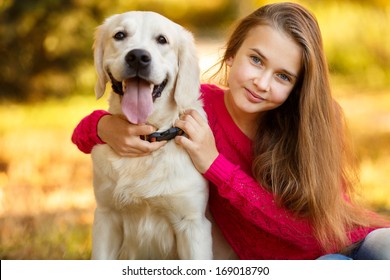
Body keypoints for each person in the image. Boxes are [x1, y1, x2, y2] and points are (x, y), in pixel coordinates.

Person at [72, 2, 390, 259]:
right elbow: (84, 132)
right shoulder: (194, 108)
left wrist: (215, 165)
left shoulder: (312, 124)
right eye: (255, 59)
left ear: (297, 87)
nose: (261, 83)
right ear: (232, 52)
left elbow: (313, 235)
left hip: (348, 242)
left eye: (283, 77)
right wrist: (104, 126)